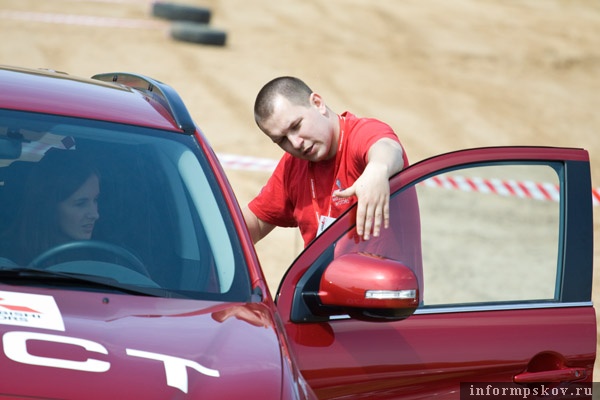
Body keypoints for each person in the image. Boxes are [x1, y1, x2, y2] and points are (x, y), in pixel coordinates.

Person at [243, 76, 408, 247]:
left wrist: (377, 171)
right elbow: (255, 221)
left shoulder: (361, 133)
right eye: (281, 140)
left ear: (317, 103)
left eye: (296, 126)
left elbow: (388, 147)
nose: (295, 143)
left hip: (378, 272)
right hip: (321, 273)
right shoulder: (292, 165)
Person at [8, 149, 101, 265]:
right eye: (80, 204)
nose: (95, 215)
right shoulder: (7, 256)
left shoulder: (104, 256)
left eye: (96, 200)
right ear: (49, 207)